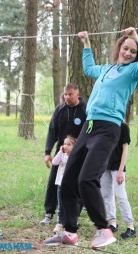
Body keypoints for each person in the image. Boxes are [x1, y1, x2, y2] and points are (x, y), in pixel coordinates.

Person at [43, 27, 138, 249]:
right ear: (119, 48)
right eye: (125, 48)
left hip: (108, 128)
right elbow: (88, 68)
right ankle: (69, 232)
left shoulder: (134, 71)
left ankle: (104, 229)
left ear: (136, 56)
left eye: (133, 51)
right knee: (68, 179)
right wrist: (86, 42)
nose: (128, 53)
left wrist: (137, 37)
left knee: (87, 178)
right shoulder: (107, 69)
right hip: (88, 127)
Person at [40, 83, 87, 226]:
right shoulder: (59, 110)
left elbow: (90, 131)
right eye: (65, 94)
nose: (67, 97)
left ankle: (76, 212)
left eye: (70, 94)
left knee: (77, 182)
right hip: (61, 152)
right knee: (54, 180)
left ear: (77, 94)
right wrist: (48, 152)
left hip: (79, 153)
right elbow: (52, 131)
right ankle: (49, 213)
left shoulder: (86, 110)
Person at [100, 122, 136, 239]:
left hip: (117, 166)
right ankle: (112, 223)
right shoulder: (103, 125)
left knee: (121, 196)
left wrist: (121, 170)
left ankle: (130, 227)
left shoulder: (123, 126)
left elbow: (125, 148)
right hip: (104, 165)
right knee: (106, 195)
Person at [51, 135, 77, 233]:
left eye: (69, 144)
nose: (65, 146)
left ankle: (72, 221)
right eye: (64, 144)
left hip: (71, 185)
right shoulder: (62, 155)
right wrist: (60, 151)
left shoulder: (75, 156)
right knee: (60, 204)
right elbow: (54, 162)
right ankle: (59, 223)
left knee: (71, 204)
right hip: (60, 183)